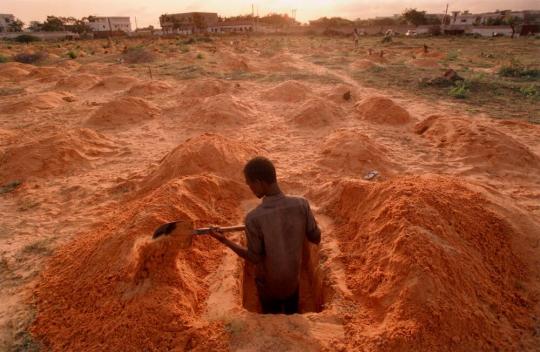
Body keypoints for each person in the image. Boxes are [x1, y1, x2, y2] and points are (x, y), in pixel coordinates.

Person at [209, 157, 321, 315]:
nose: (251, 189)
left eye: (250, 184)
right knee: (292, 313)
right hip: (292, 284)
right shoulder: (301, 205)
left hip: (269, 289)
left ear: (259, 182)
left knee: (271, 317)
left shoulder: (254, 218)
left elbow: (254, 258)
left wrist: (224, 240)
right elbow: (316, 237)